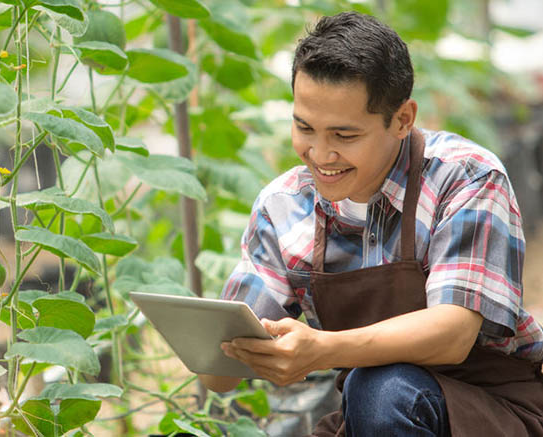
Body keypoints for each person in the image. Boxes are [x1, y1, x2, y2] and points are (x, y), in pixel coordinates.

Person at [198, 11, 543, 437]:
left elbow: (453, 333)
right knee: (372, 393)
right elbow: (218, 376)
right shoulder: (283, 207)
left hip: (496, 410)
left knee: (380, 388)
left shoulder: (465, 177)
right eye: (304, 127)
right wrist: (232, 346)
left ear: (403, 119)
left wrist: (321, 350)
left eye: (344, 136)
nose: (320, 155)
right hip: (371, 417)